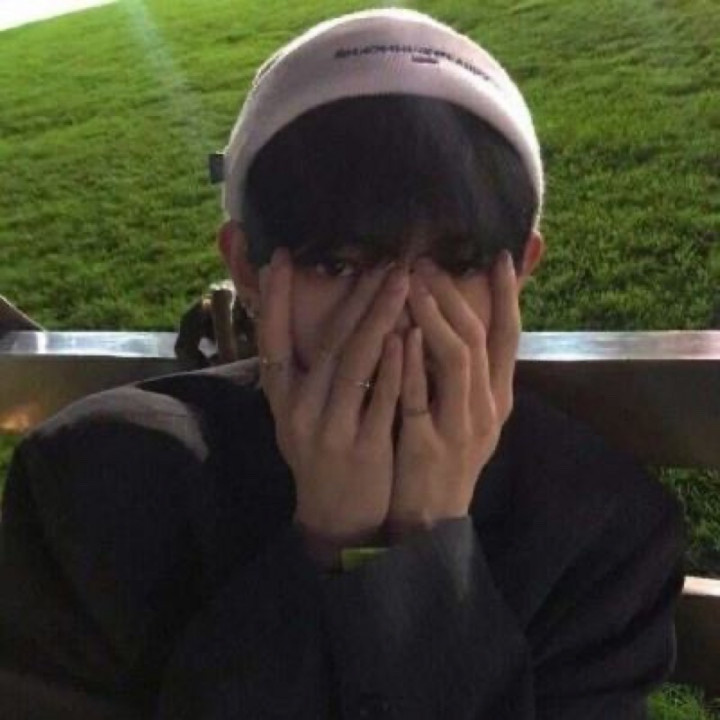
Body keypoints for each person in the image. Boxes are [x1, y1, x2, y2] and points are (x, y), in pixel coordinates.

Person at [0, 8, 685, 719]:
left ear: (521, 271)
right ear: (248, 269)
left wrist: (424, 544)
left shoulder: (603, 535)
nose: (399, 316)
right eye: (338, 263)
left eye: (459, 262)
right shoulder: (98, 491)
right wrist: (330, 537)